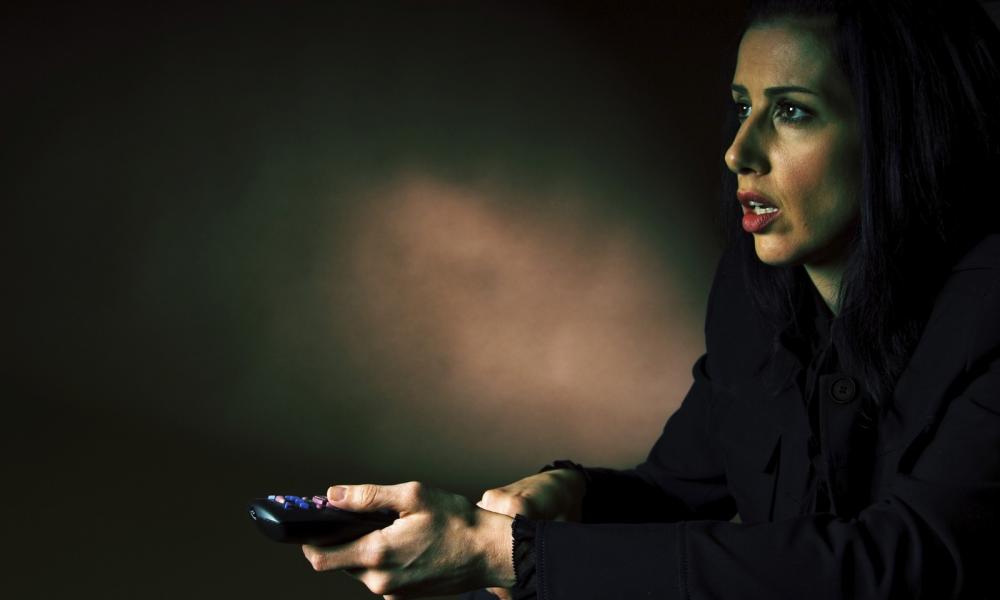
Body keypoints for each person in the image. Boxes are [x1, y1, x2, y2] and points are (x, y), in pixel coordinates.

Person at [301, 0, 1000, 597]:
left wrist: (512, 556)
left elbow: (897, 562)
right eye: (742, 108)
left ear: (902, 131)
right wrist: (572, 494)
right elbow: (678, 488)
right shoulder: (754, 297)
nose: (739, 151)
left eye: (792, 111)